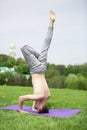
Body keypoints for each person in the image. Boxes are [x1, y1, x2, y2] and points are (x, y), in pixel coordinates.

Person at [19, 10, 55, 113]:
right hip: (36, 69)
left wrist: (33, 106)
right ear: (40, 107)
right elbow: (21, 98)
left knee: (46, 44)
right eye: (38, 109)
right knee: (23, 48)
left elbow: (39, 97)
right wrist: (21, 109)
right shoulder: (38, 97)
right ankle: (37, 55)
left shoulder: (47, 96)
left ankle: (51, 22)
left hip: (43, 68)